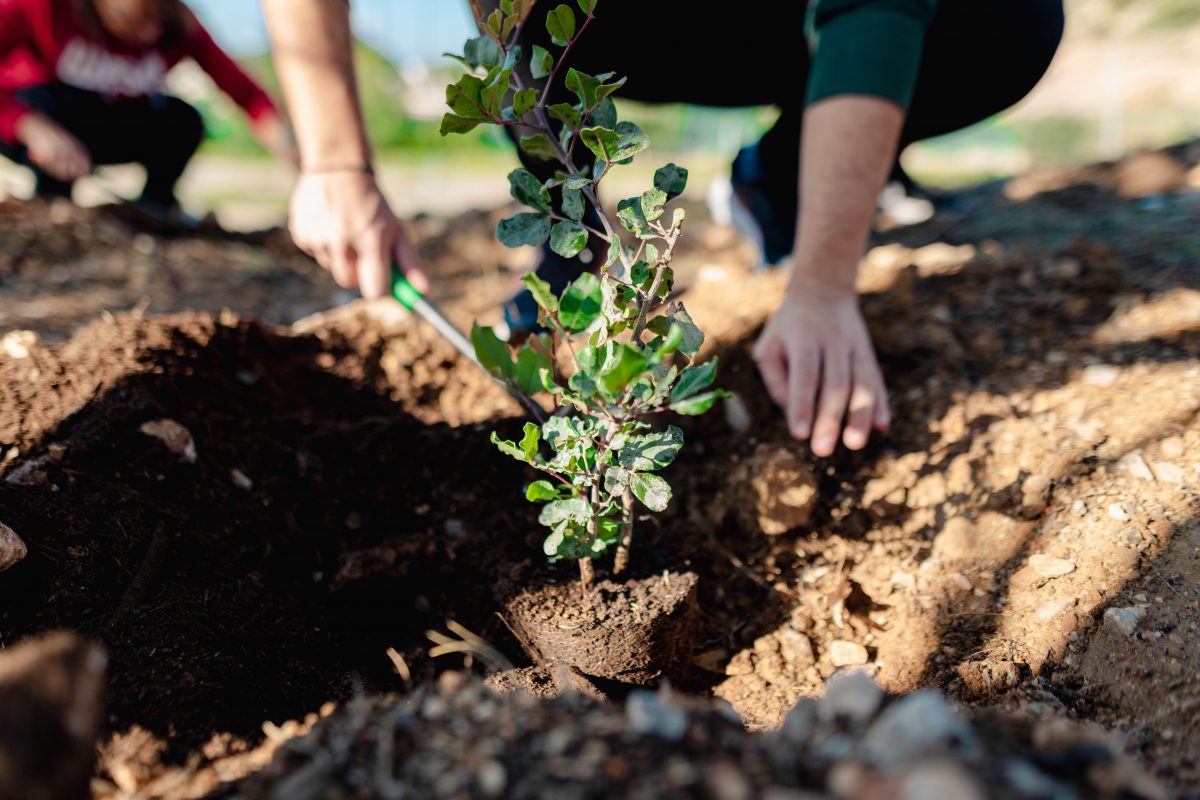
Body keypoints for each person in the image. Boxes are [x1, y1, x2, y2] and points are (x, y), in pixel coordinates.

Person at [260, 0, 1063, 457]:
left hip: (787, 21)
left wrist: (822, 284)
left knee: (1016, 17)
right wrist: (334, 165)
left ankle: (782, 181)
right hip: (610, 21)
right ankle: (569, 236)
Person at [0, 0, 293, 219]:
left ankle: (152, 210)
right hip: (35, 126)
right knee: (55, 104)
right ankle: (53, 205)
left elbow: (247, 95)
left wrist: (309, 159)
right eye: (136, 19)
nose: (150, 33)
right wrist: (28, 125)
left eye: (157, 20)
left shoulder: (178, 25)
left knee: (182, 119)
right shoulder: (45, 7)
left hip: (110, 125)